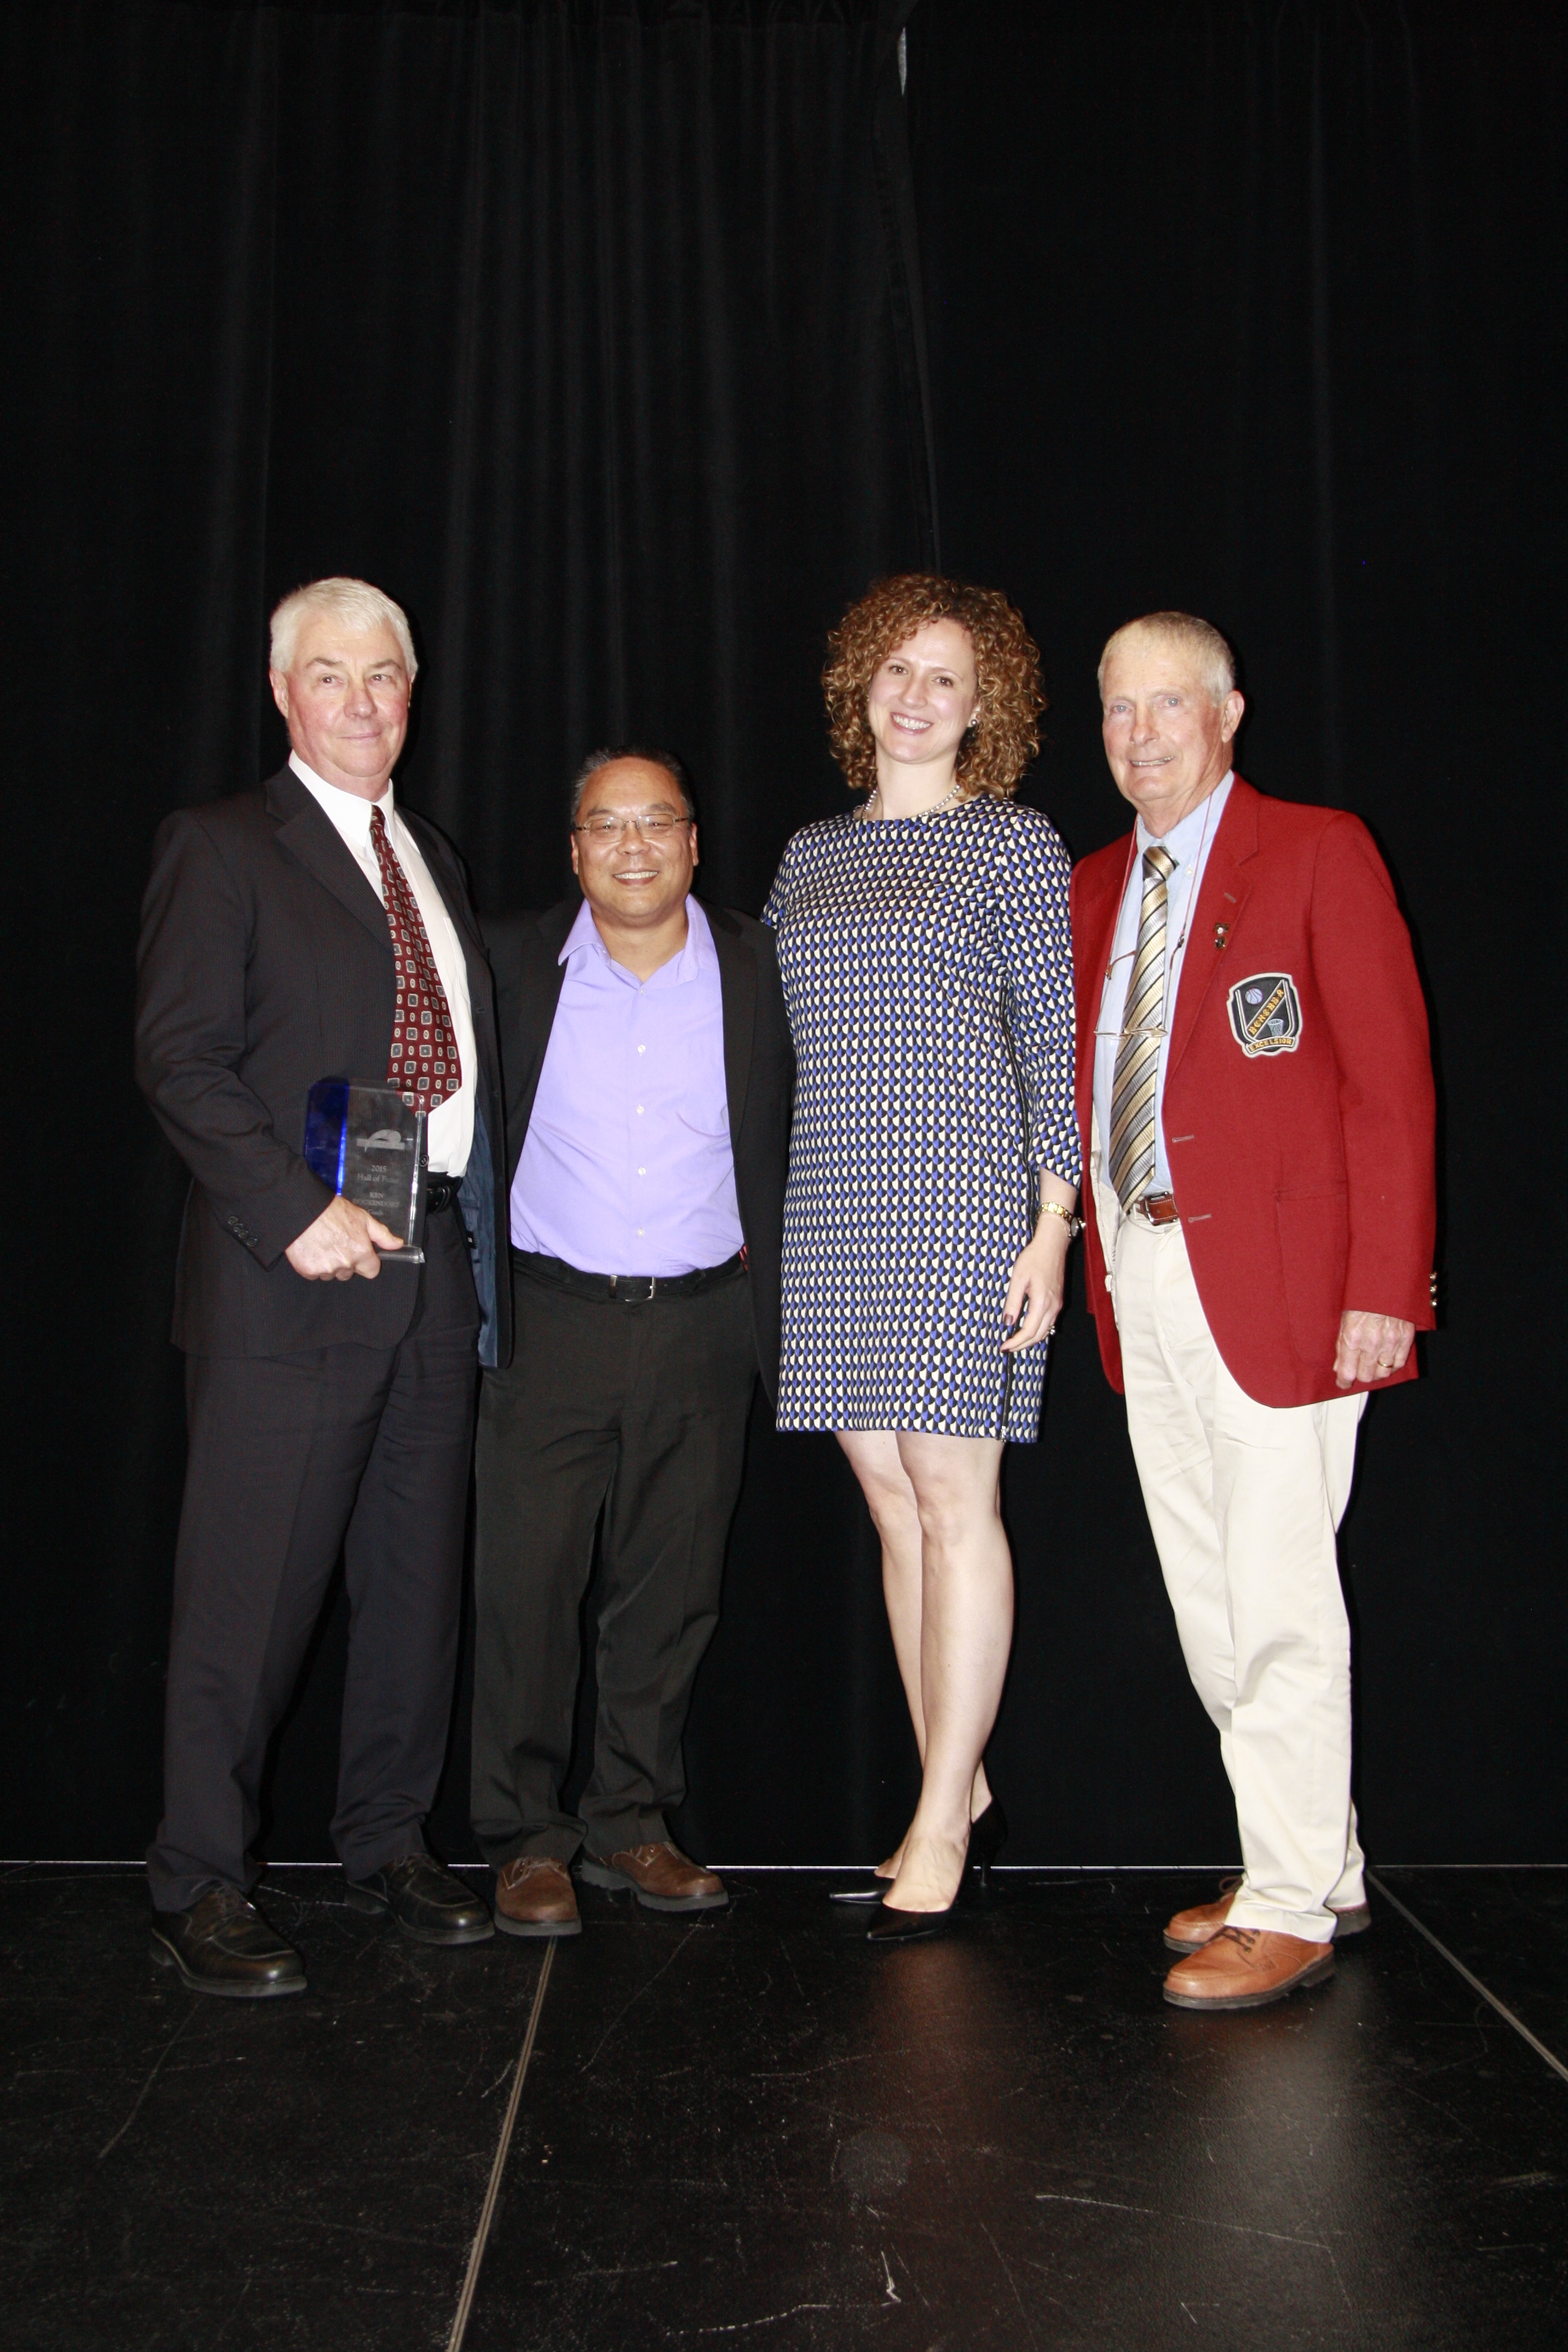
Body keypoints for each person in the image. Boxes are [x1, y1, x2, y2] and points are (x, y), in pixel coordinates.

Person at [135, 576, 510, 1996]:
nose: (364, 701)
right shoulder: (223, 846)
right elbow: (179, 1058)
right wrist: (296, 1212)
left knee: (414, 1591)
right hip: (287, 1286)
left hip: (434, 1274)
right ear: (285, 693)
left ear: (413, 696)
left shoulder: (434, 857)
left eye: (386, 677)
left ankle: (388, 1842)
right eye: (333, 676)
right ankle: (197, 1879)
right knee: (248, 1597)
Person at [1073, 610, 1437, 2011]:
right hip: (1144, 1274)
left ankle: (1284, 1904)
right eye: (1118, 710)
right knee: (1210, 1599)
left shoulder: (1317, 850)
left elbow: (1390, 1089)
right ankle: (1316, 1857)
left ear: (1228, 714)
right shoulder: (1099, 885)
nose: (1141, 733)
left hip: (1289, 1289)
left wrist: (1382, 1291)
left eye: (1168, 705)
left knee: (1280, 1598)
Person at [763, 575, 1079, 1942]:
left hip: (959, 1201)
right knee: (891, 1506)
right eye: (896, 670)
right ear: (859, 688)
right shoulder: (804, 857)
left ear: (984, 704)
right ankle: (966, 1781)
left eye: (946, 677)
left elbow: (1053, 1044)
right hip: (832, 1206)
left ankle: (940, 1816)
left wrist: (1053, 1227)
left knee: (958, 1505)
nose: (915, 695)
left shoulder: (1013, 843)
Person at [471, 748, 792, 1936]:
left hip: (709, 1321)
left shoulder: (765, 967)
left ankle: (630, 1823)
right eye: (608, 825)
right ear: (574, 850)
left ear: (696, 842)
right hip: (550, 1317)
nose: (636, 845)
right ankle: (521, 1837)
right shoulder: (507, 963)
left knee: (671, 1590)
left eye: (659, 822)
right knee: (525, 1588)